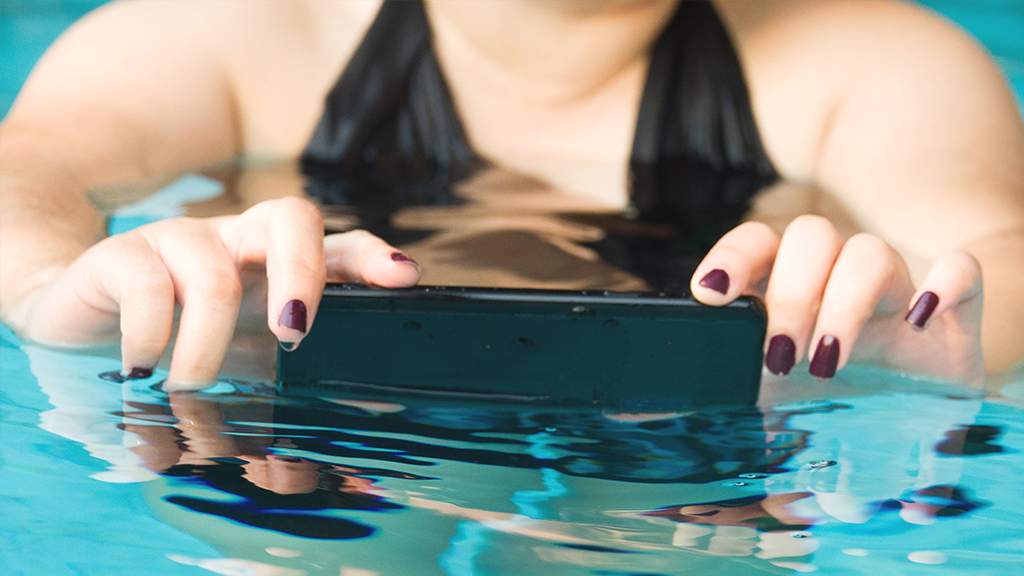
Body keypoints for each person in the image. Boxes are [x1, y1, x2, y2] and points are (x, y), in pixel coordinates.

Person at [1, 0, 1022, 390]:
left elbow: (1001, 250)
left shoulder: (872, 64)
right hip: (319, 422)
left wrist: (918, 350)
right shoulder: (240, 34)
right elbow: (27, 166)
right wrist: (56, 287)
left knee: (644, 540)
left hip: (686, 433)